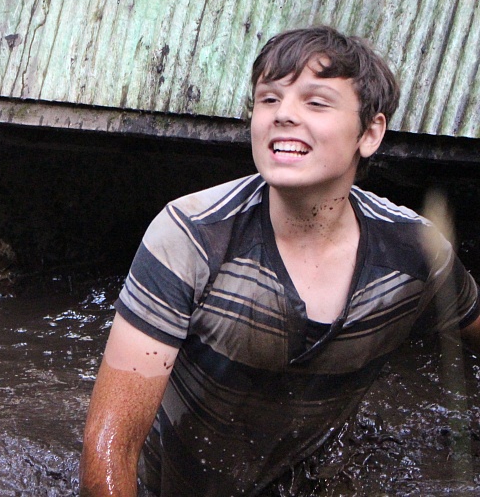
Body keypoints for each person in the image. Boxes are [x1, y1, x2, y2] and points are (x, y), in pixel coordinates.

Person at [79, 26, 480, 496]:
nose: (283, 115)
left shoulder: (415, 251)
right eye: (268, 100)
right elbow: (110, 445)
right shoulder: (191, 236)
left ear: (370, 133)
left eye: (315, 102)